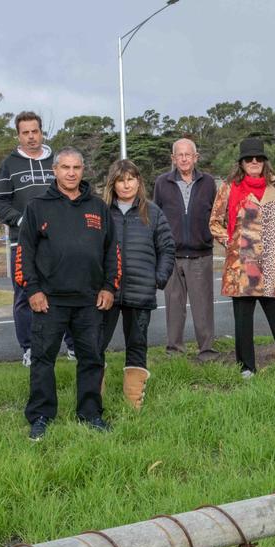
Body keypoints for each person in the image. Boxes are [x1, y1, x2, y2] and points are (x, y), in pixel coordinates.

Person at [17, 148, 117, 440]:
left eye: (76, 167)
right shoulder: (37, 207)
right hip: (49, 301)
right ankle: (41, 416)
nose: (71, 173)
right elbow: (25, 253)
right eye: (65, 167)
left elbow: (112, 251)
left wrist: (109, 287)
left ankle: (90, 414)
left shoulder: (98, 208)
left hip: (89, 300)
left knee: (92, 358)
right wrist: (32, 290)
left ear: (83, 171)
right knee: (42, 360)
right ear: (54, 170)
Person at [209, 137, 275, 380]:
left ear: (264, 162)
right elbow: (215, 222)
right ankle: (247, 368)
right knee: (243, 321)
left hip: (271, 262)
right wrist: (230, 243)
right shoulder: (228, 188)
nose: (254, 162)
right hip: (242, 264)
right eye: (249, 159)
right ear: (241, 163)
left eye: (258, 158)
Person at [0, 111, 73, 366]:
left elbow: (73, 190)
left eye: (34, 131)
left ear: (41, 132)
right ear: (18, 135)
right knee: (25, 297)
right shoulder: (9, 164)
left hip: (60, 243)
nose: (30, 137)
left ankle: (72, 346)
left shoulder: (58, 160)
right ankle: (29, 349)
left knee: (67, 292)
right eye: (25, 133)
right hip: (23, 243)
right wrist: (22, 221)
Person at [100, 159, 175, 409]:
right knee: (94, 343)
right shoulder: (101, 211)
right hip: (106, 292)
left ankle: (133, 403)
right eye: (121, 180)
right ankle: (91, 400)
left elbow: (167, 249)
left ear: (138, 181)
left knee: (137, 344)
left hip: (140, 292)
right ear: (113, 183)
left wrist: (157, 279)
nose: (126, 184)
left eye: (131, 179)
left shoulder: (152, 212)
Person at [154, 138, 220, 361]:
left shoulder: (209, 182)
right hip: (171, 257)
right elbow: (157, 218)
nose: (183, 158)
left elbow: (217, 216)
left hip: (201, 255)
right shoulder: (162, 183)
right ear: (173, 158)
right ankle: (175, 352)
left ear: (195, 157)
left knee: (203, 308)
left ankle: (207, 352)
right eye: (179, 155)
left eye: (188, 154)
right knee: (174, 307)